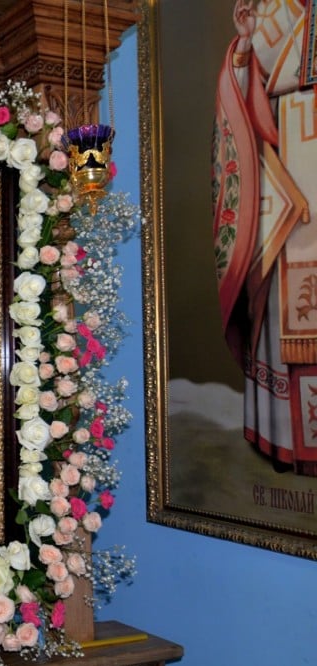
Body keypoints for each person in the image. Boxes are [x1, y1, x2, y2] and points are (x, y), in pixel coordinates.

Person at [213, 0, 317, 475]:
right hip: (285, 180)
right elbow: (239, 94)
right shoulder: (272, 7)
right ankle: (286, 441)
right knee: (277, 305)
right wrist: (245, 44)